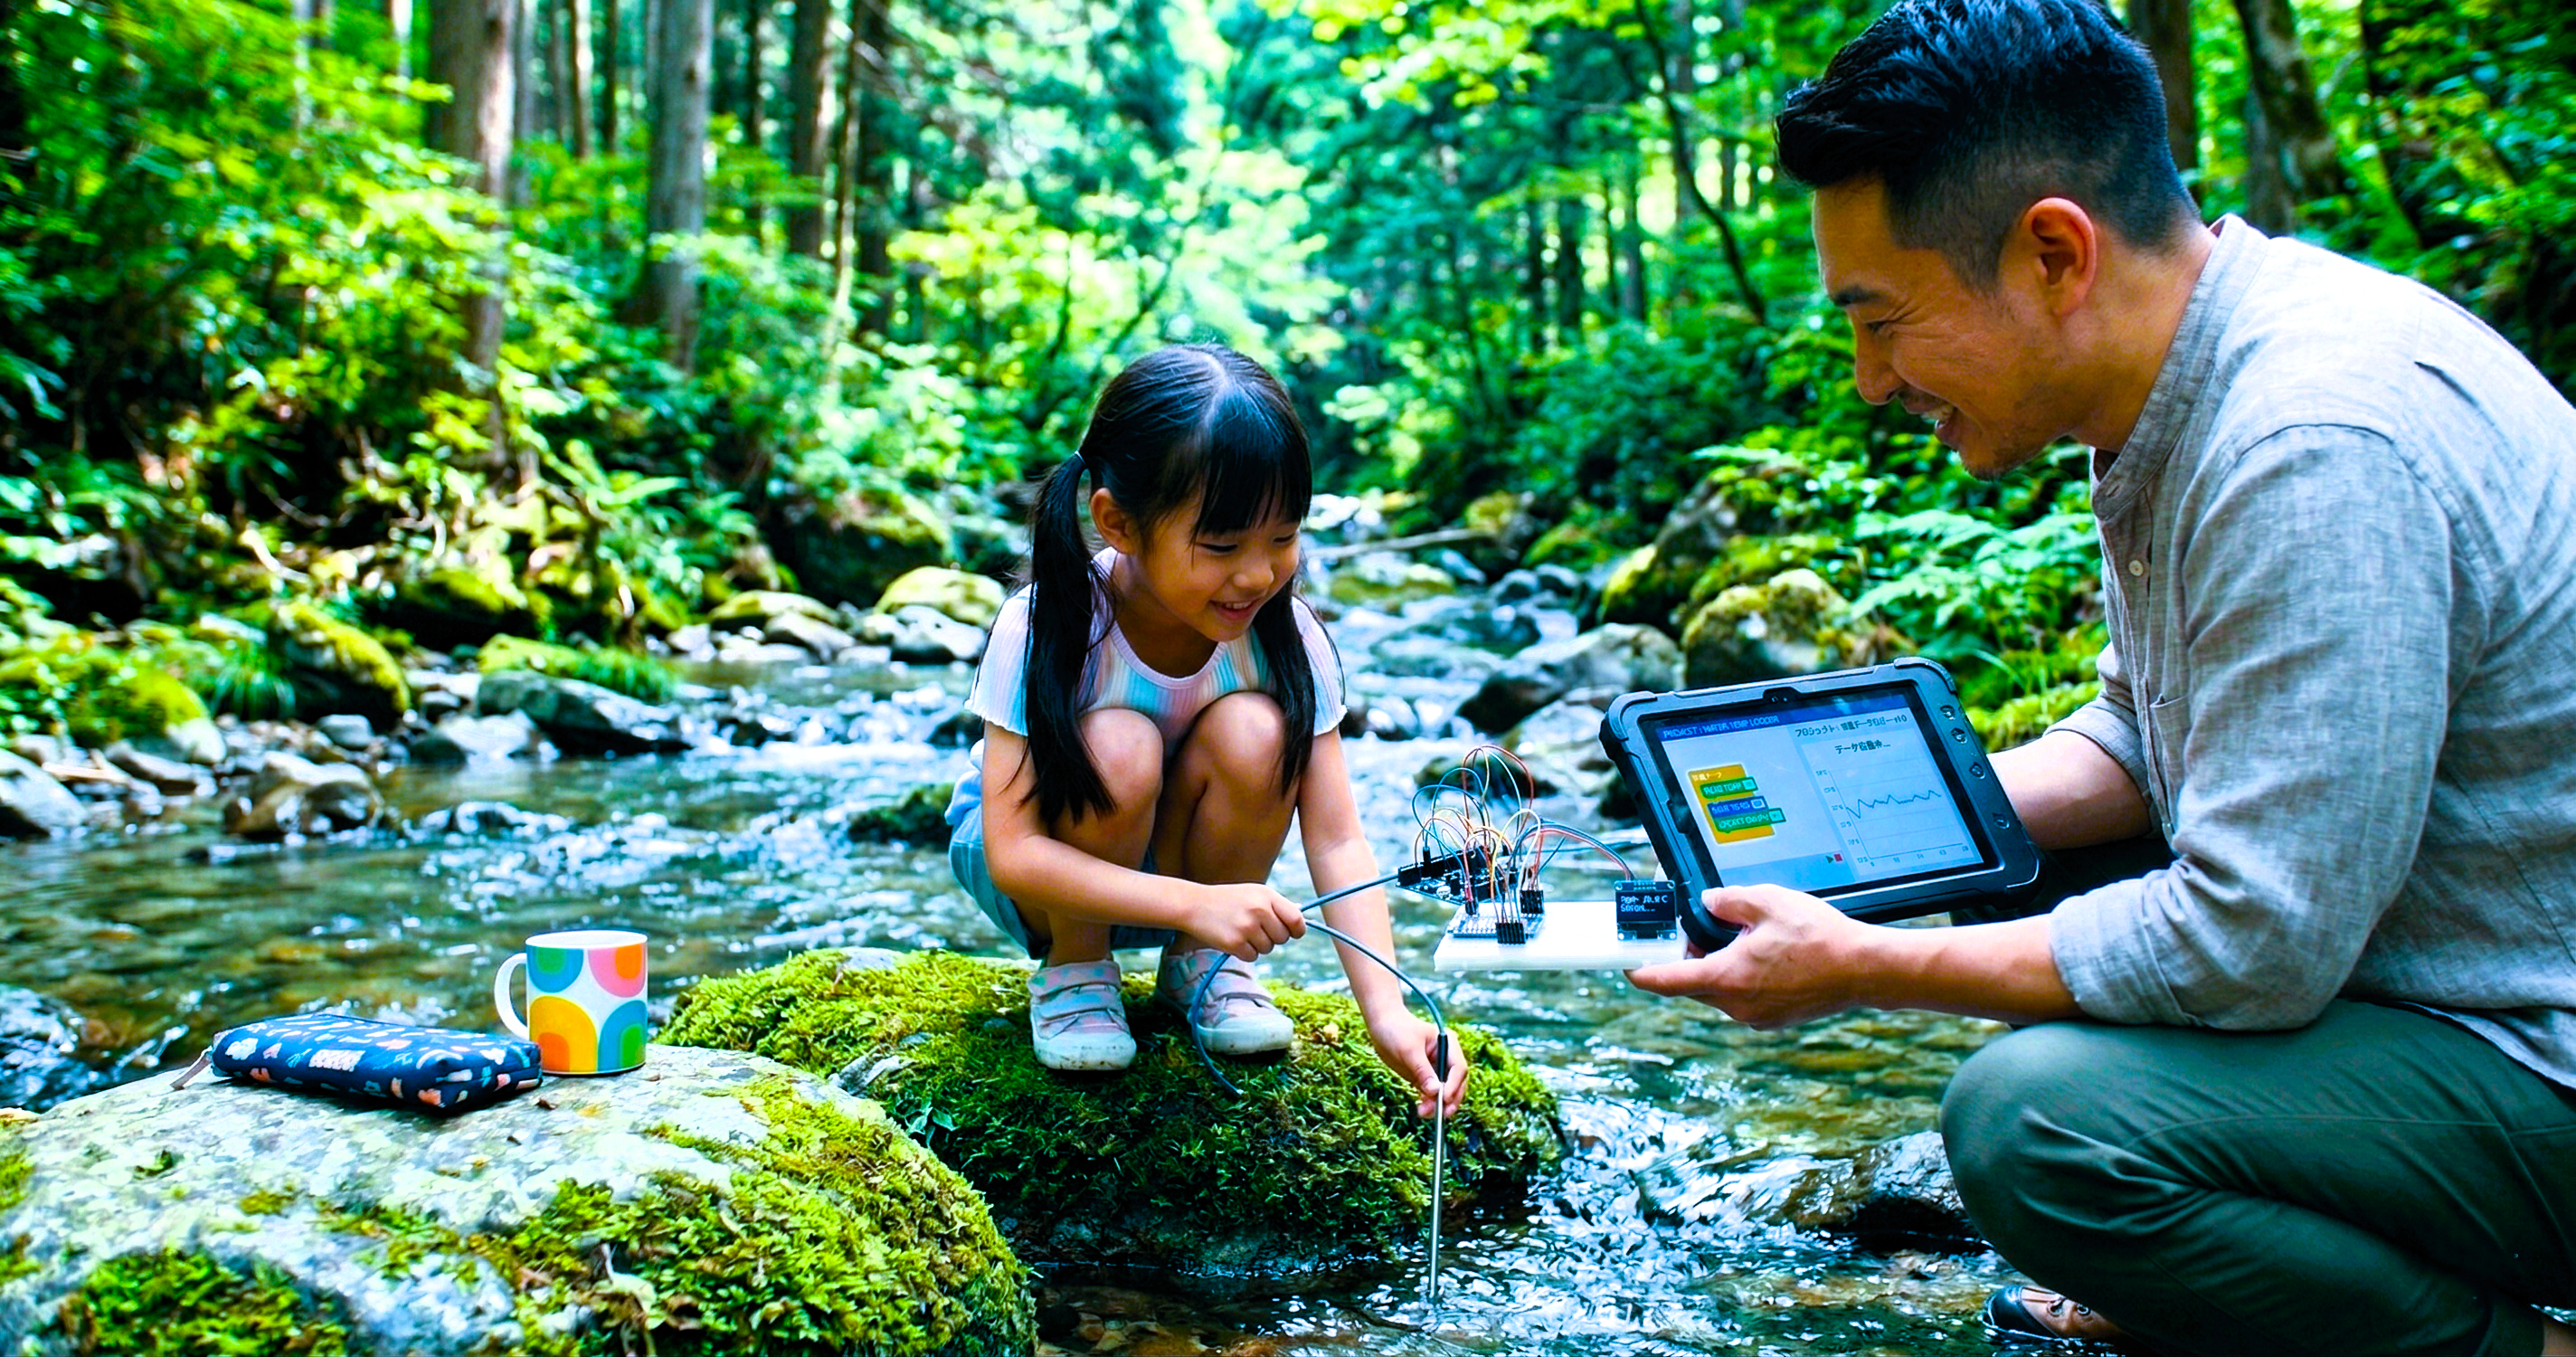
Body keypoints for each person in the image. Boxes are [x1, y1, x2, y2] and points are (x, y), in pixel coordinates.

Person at [1623, 1, 2576, 1353]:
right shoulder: (2180, 383)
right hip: (2433, 988)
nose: (1870, 379)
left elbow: (2253, 942)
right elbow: (2148, 736)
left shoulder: (2310, 444)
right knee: (2008, 868)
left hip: (2542, 1051)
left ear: (2054, 252)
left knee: (2035, 1124)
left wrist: (1868, 963)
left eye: (1882, 321)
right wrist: (1877, 831)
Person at [944, 343, 1465, 1120]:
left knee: (1260, 729)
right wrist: (1192, 900)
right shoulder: (1047, 624)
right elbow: (1014, 850)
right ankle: (1077, 971)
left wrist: (1386, 1014)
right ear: (1118, 523)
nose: (1257, 575)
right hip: (1038, 869)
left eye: (1283, 538)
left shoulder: (1288, 638)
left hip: (1189, 883)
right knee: (1120, 743)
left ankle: (1202, 970)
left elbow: (1336, 841)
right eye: (1222, 547)